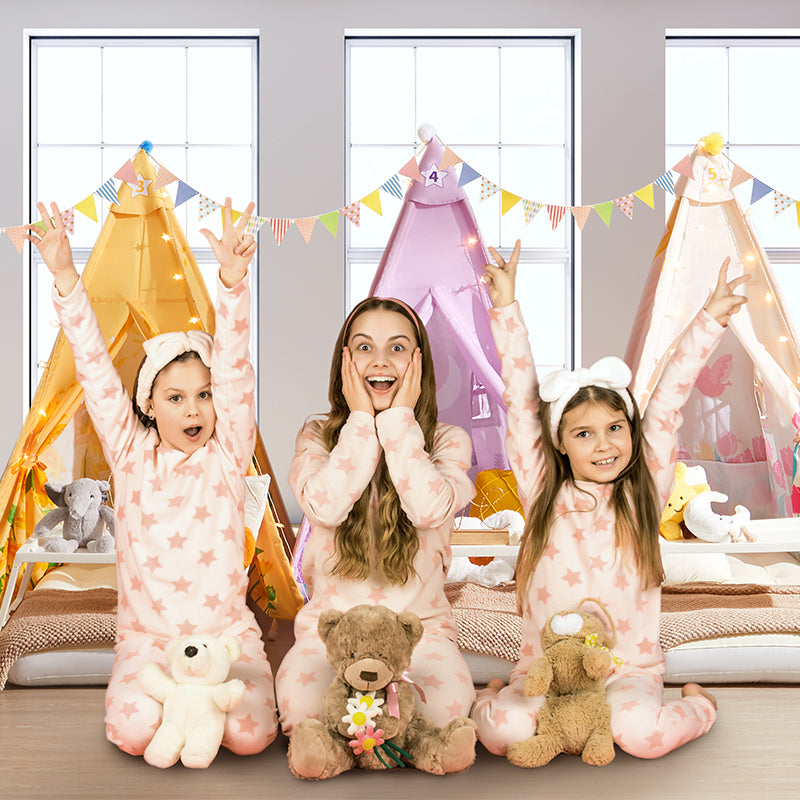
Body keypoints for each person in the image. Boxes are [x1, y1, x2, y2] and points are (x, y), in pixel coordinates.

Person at [471, 240, 748, 760]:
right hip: (545, 670)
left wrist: (708, 320)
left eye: (615, 428)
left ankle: (700, 705)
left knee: (642, 738)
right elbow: (521, 402)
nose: (604, 444)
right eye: (584, 434)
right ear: (558, 443)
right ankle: (490, 697)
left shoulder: (643, 495)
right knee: (501, 734)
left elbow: (667, 401)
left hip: (628, 669)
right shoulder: (544, 493)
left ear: (631, 431)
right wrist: (506, 308)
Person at [25, 198, 278, 759]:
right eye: (176, 397)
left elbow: (237, 369)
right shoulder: (130, 453)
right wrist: (65, 275)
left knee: (251, 735)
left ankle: (201, 708)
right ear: (149, 405)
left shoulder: (228, 451)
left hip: (227, 635)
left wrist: (233, 284)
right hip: (150, 640)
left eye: (204, 396)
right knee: (133, 732)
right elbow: (92, 367)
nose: (194, 410)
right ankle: (169, 704)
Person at [276, 297, 476, 747]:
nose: (381, 361)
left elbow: (427, 508)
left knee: (442, 715)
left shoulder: (447, 442)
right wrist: (362, 420)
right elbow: (325, 507)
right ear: (344, 361)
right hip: (332, 631)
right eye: (364, 347)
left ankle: (365, 745)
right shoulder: (316, 437)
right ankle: (367, 745)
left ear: (418, 363)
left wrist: (400, 422)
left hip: (418, 632)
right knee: (302, 711)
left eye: (398, 347)